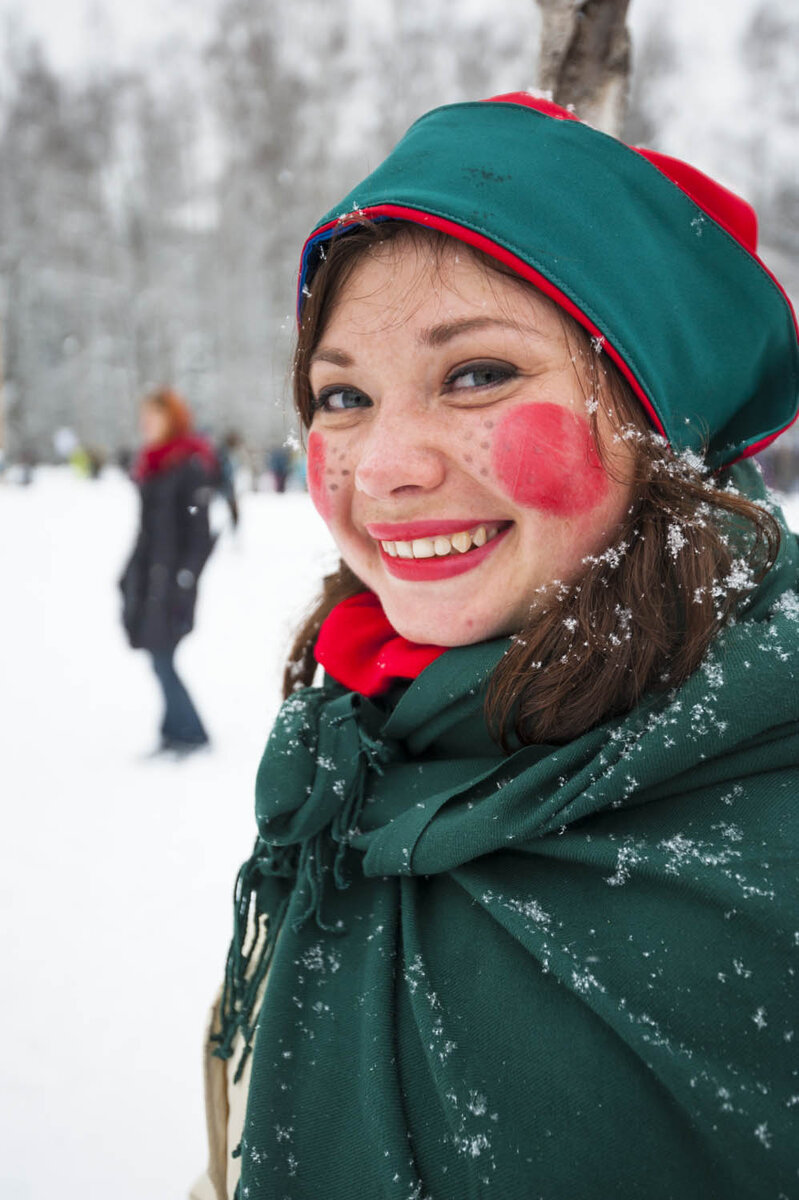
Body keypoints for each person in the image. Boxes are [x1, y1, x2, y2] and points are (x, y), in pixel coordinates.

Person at [193, 94, 799, 1199]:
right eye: (343, 395)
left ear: (654, 419)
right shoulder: (345, 765)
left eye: (476, 374)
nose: (382, 465)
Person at [120, 386, 217, 757]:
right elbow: (147, 531)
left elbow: (198, 534)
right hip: (150, 577)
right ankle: (175, 730)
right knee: (157, 654)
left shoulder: (188, 464)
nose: (145, 423)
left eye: (153, 416)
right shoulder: (154, 463)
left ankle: (190, 733)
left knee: (162, 655)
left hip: (172, 581)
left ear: (172, 419)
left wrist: (183, 578)